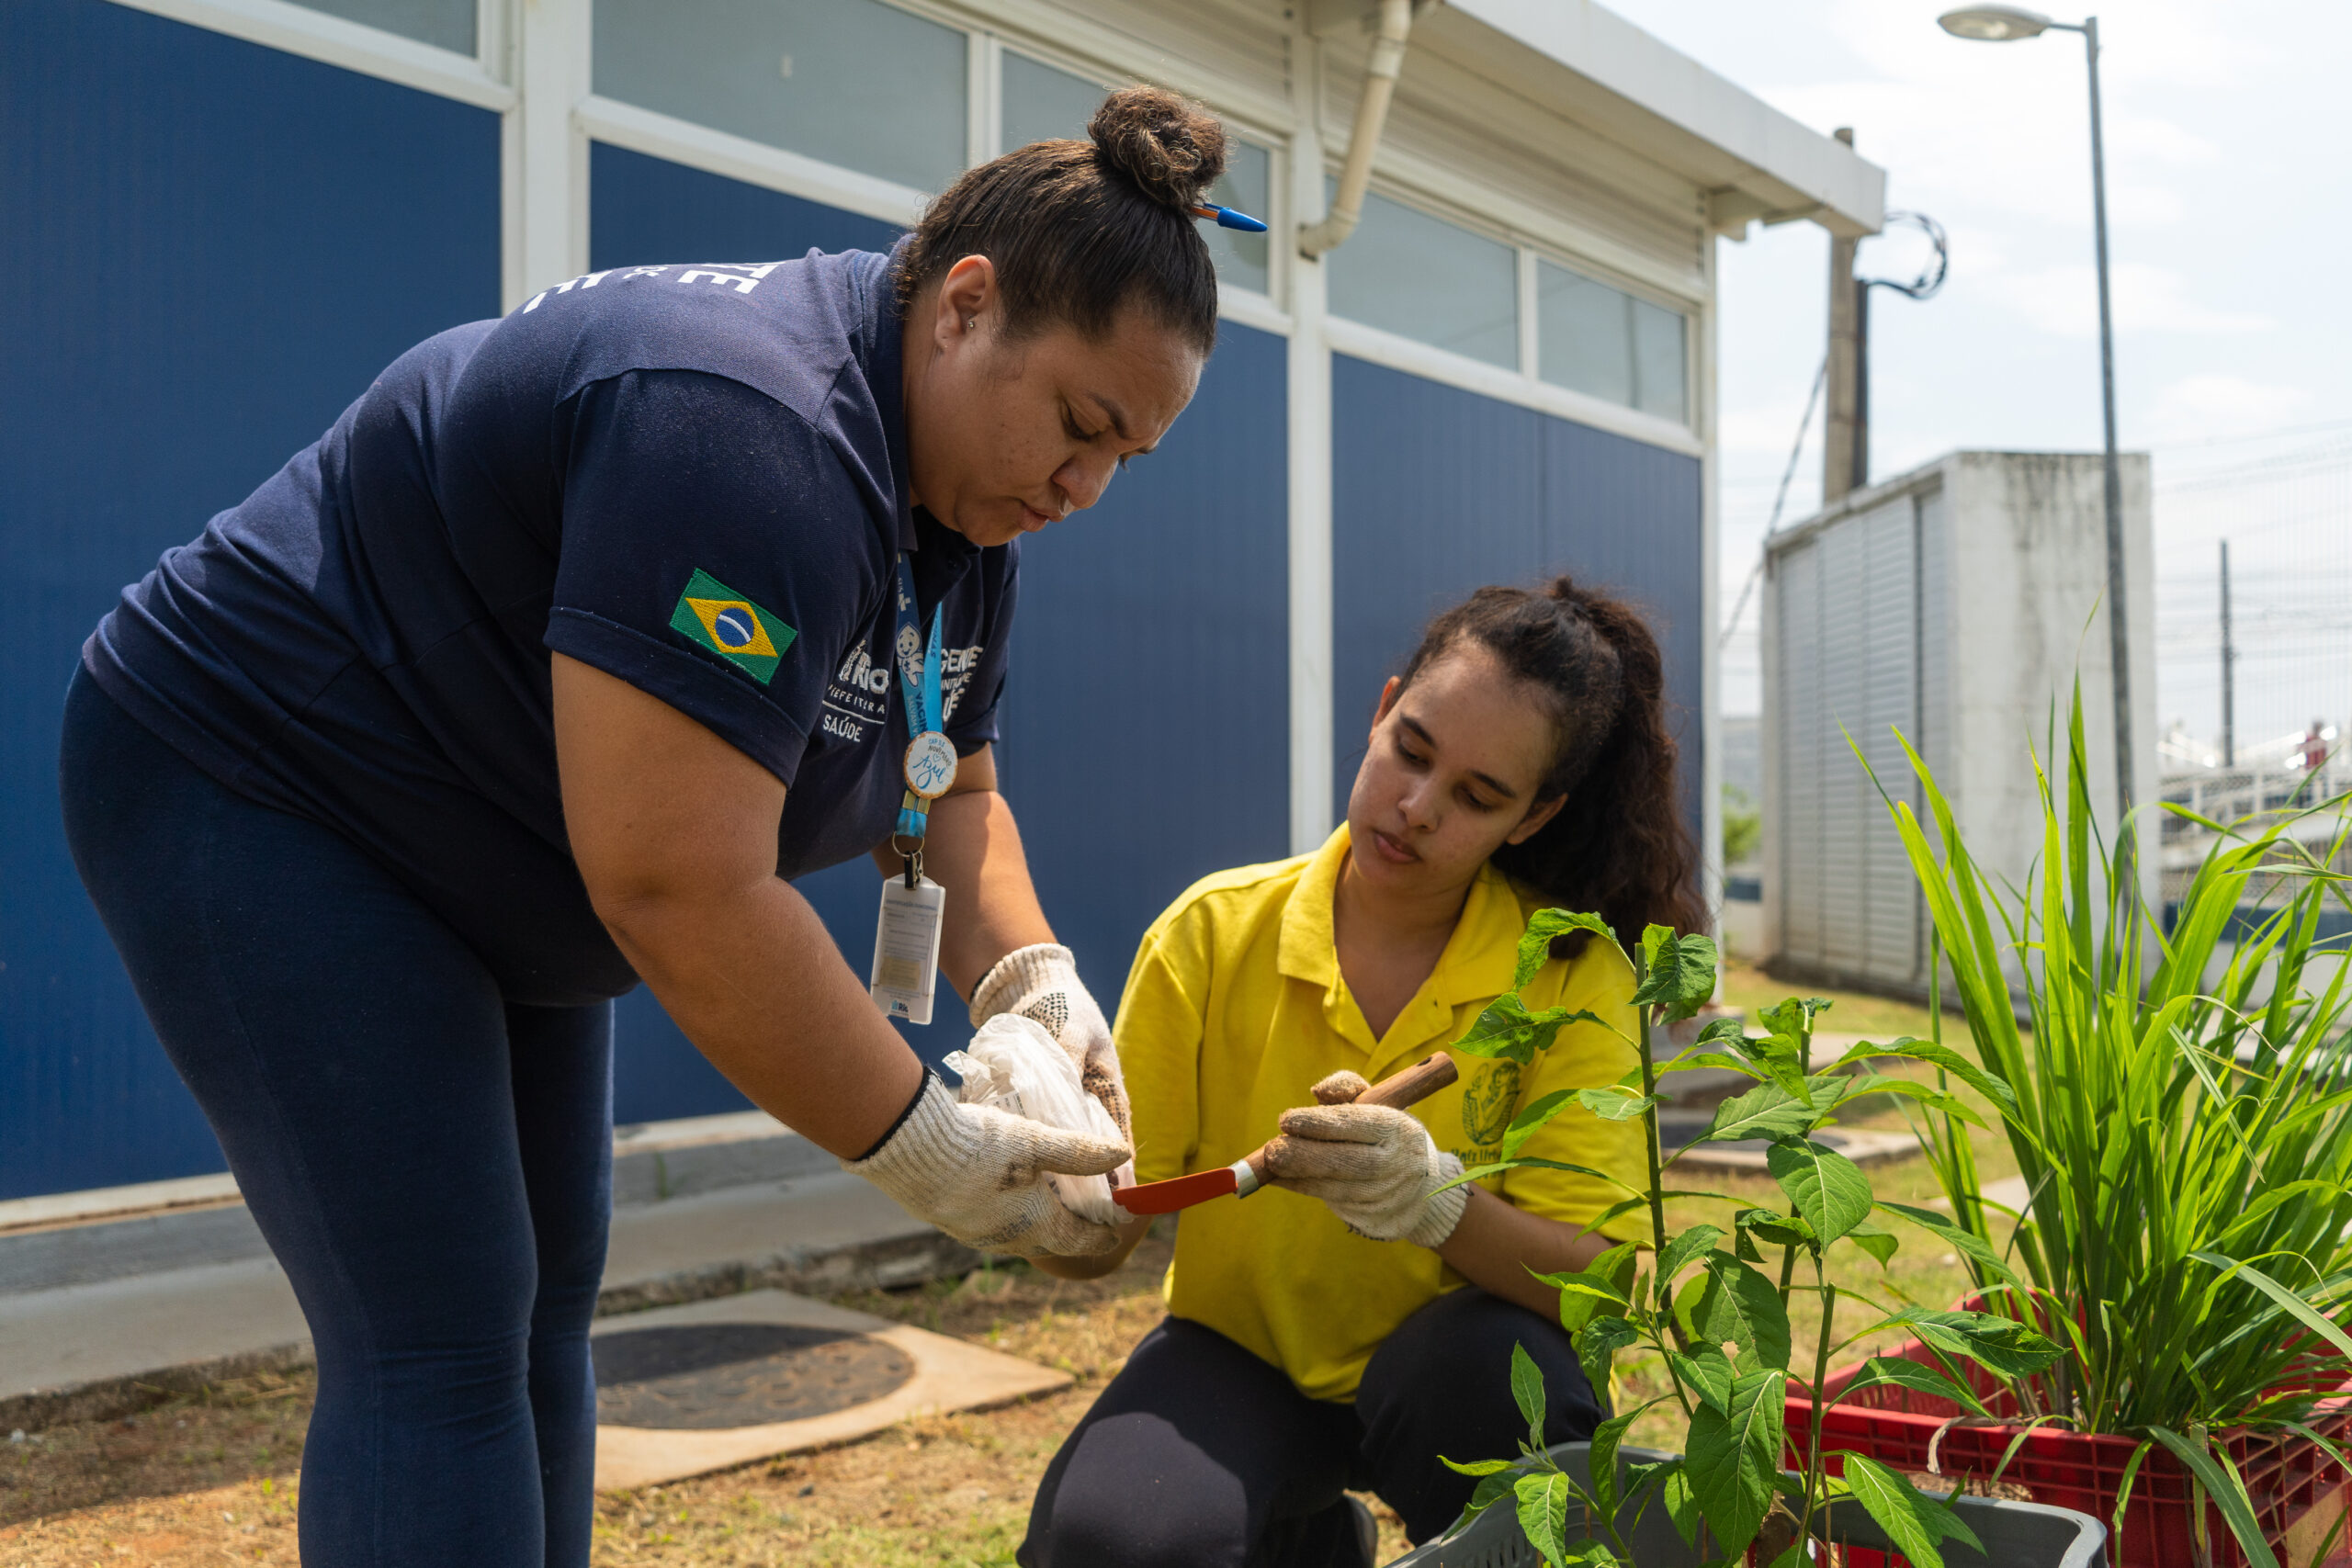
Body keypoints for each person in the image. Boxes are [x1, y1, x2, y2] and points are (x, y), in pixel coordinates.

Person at [58, 86, 1243, 1567]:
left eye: (1128, 455)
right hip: (274, 776)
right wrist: (928, 1141)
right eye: (1081, 424)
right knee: (437, 1329)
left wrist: (1033, 983)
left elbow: (961, 779)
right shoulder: (741, 427)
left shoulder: (968, 499)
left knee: (547, 1296)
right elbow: (679, 886)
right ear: (966, 305)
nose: (1087, 488)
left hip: (496, 832)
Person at [1020, 577, 1707, 1568]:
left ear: (1534, 816)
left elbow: (1598, 1285)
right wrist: (1030, 1185)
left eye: (1477, 797)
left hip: (1450, 1370)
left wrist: (1435, 1203)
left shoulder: (1567, 972)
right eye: (1410, 752)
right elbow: (1112, 1212)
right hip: (1240, 1352)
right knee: (1114, 1544)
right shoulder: (1212, 932)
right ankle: (1306, 1539)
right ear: (1382, 711)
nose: (1416, 808)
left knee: (1498, 1384)